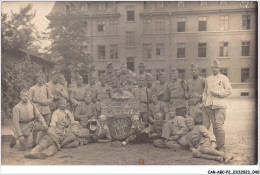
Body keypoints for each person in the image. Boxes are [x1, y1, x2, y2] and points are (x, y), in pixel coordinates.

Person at [203, 60, 232, 152]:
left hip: (220, 105)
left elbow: (229, 91)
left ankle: (222, 146)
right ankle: (217, 144)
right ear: (211, 68)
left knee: (219, 125)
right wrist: (204, 100)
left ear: (219, 68)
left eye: (216, 67)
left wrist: (218, 93)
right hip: (210, 105)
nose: (214, 69)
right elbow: (205, 92)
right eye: (213, 67)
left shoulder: (224, 78)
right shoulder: (207, 79)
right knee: (214, 126)